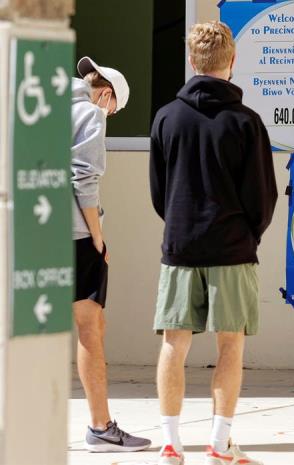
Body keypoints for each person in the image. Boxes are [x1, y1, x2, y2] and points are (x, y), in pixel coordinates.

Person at [150, 21, 278, 465]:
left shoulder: (167, 117)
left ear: (192, 61)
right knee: (231, 345)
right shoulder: (246, 122)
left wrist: (181, 224)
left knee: (174, 343)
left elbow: (159, 192)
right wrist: (249, 235)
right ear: (232, 61)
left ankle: (170, 442)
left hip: (180, 247)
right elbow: (263, 194)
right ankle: (219, 443)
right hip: (232, 249)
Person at [71, 57, 151, 452]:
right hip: (72, 234)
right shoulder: (90, 113)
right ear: (106, 95)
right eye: (114, 111)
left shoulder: (38, 104)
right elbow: (83, 178)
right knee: (90, 328)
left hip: (29, 229)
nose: (109, 117)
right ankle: (100, 427)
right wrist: (98, 238)